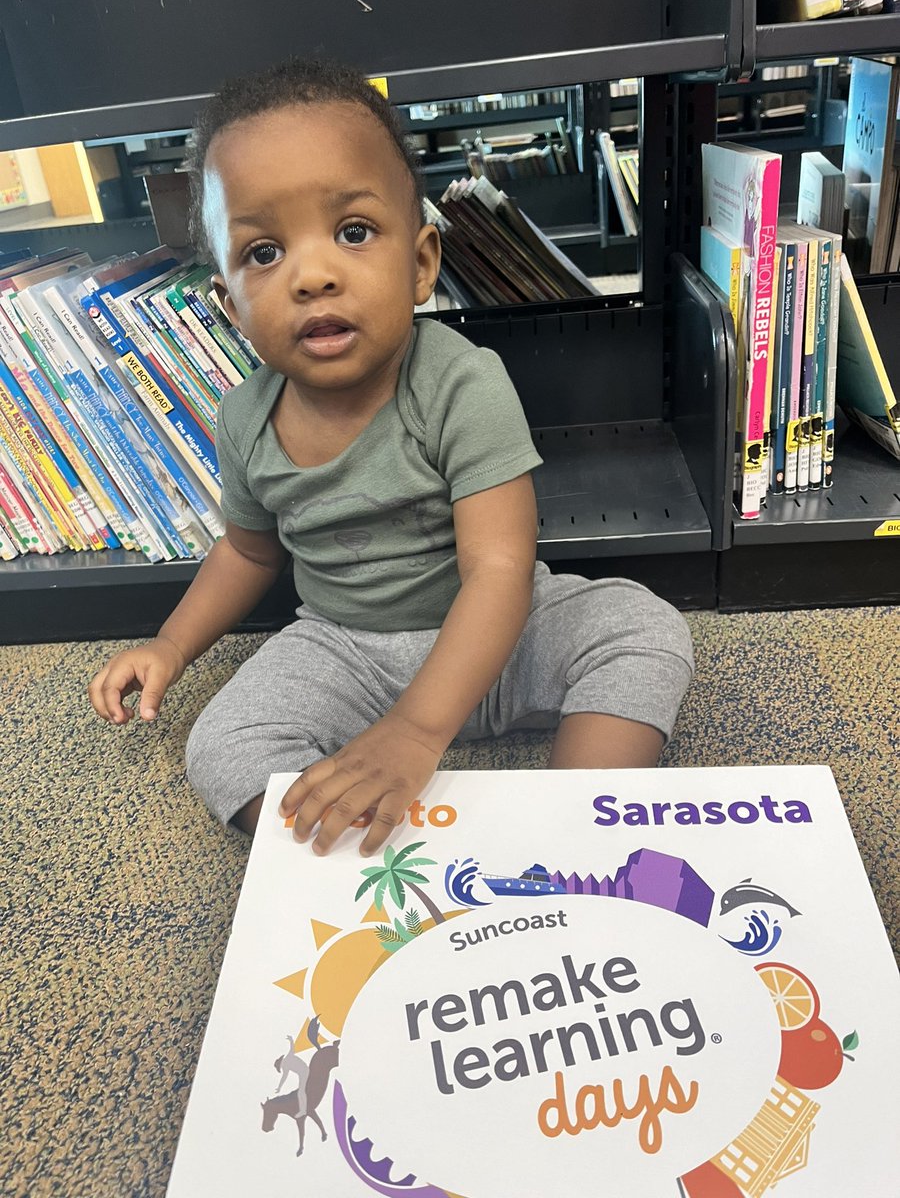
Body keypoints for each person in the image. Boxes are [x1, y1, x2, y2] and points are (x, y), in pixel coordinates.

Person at [88, 57, 694, 857]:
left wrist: (416, 731)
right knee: (222, 741)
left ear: (420, 264)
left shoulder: (460, 383)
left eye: (353, 232)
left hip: (499, 632)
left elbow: (500, 572)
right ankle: (390, 871)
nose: (313, 275)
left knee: (643, 628)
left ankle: (571, 833)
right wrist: (169, 644)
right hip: (346, 649)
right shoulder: (245, 416)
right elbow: (246, 548)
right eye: (265, 252)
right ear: (231, 307)